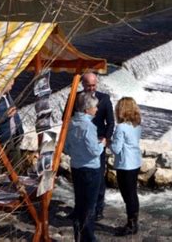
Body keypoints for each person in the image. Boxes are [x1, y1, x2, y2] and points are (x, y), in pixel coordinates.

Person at [66, 72, 114, 221]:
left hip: (97, 142)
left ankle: (98, 209)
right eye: (88, 85)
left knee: (98, 177)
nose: (91, 88)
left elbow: (111, 122)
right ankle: (79, 209)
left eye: (94, 85)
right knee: (78, 180)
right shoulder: (75, 97)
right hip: (79, 143)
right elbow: (66, 118)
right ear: (82, 84)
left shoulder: (104, 99)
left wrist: (105, 139)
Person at [64, 91, 106, 242]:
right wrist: (102, 144)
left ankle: (78, 236)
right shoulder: (88, 126)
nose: (96, 110)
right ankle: (88, 238)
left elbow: (66, 148)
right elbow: (94, 151)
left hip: (76, 167)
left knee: (80, 204)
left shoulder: (71, 123)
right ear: (87, 109)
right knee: (90, 207)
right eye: (95, 107)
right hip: (90, 169)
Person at [110, 97, 142, 236]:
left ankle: (131, 225)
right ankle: (133, 222)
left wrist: (107, 142)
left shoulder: (121, 127)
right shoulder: (137, 125)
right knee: (133, 194)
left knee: (127, 195)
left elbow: (116, 149)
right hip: (135, 162)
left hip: (125, 165)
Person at [0, 79, 25, 171]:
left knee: (16, 169)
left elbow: (15, 115)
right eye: (10, 80)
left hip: (15, 138)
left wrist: (20, 131)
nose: (13, 82)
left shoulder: (8, 96)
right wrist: (5, 116)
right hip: (1, 140)